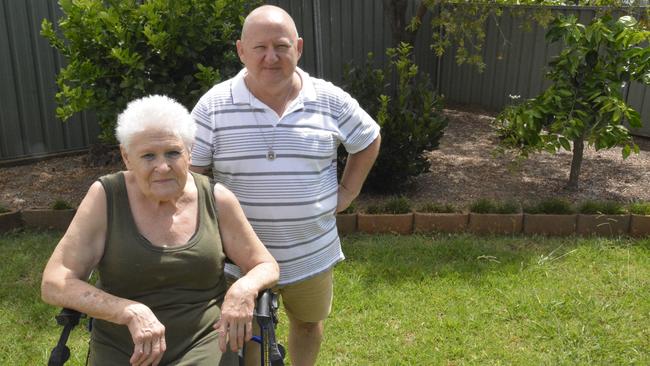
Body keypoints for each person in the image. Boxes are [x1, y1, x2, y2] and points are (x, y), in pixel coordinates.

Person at [190, 5, 381, 365]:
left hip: (311, 253)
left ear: (299, 47)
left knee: (308, 324)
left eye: (281, 45)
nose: (271, 57)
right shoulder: (213, 106)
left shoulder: (330, 99)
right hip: (239, 260)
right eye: (259, 47)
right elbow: (194, 177)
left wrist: (348, 192)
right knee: (245, 332)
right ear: (240, 51)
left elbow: (368, 138)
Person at [41, 95, 279, 366]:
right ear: (126, 157)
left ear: (190, 153)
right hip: (123, 343)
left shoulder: (216, 198)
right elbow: (54, 283)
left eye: (173, 153)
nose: (163, 167)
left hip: (201, 339)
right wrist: (128, 311)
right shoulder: (106, 197)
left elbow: (266, 265)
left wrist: (244, 287)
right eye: (148, 156)